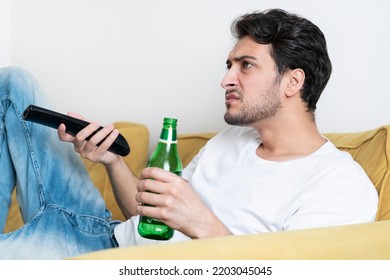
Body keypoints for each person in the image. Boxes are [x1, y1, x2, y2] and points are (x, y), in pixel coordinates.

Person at [0, 9, 378, 259]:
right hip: (102, 229)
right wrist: (111, 160)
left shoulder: (340, 184)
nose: (226, 79)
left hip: (106, 259)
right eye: (229, 65)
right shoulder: (230, 142)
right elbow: (149, 216)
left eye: (246, 66)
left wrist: (202, 222)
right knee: (13, 84)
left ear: (293, 81)